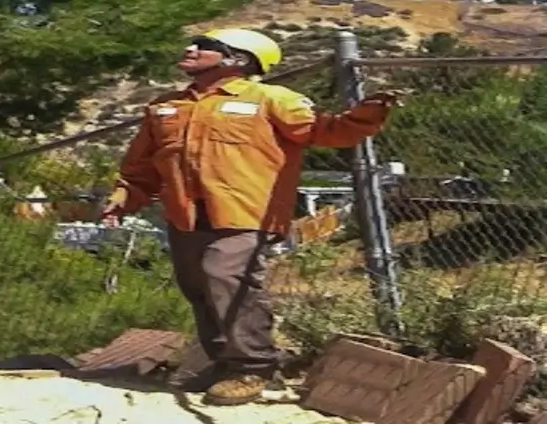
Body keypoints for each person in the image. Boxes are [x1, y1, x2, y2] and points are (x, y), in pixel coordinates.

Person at [102, 27, 400, 406]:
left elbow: (323, 131)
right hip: (185, 216)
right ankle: (224, 365)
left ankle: (253, 369)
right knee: (199, 288)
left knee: (225, 276)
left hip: (247, 213)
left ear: (239, 59)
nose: (190, 48)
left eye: (205, 46)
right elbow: (141, 167)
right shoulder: (166, 106)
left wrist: (366, 114)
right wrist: (124, 198)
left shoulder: (272, 99)